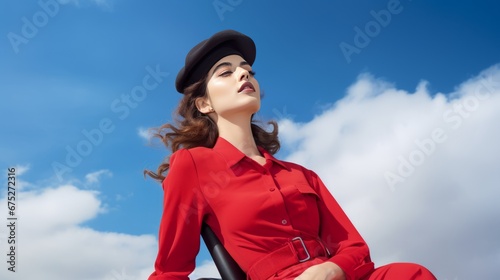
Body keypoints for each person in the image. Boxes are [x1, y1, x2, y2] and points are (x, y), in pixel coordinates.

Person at [146, 30, 436, 280]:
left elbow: (355, 248)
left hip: (335, 274)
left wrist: (331, 269)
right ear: (205, 104)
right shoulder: (193, 165)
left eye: (247, 70)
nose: (244, 73)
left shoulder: (301, 175)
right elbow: (171, 270)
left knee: (410, 273)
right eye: (226, 72)